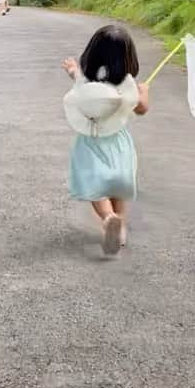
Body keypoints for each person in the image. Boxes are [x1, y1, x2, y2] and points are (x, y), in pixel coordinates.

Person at [63, 24, 149, 255]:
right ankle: (119, 228)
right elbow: (141, 109)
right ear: (128, 57)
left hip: (91, 142)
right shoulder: (127, 84)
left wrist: (73, 70)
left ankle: (107, 217)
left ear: (91, 53)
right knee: (117, 189)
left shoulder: (89, 83)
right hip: (118, 143)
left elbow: (79, 83)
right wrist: (144, 92)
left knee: (96, 187)